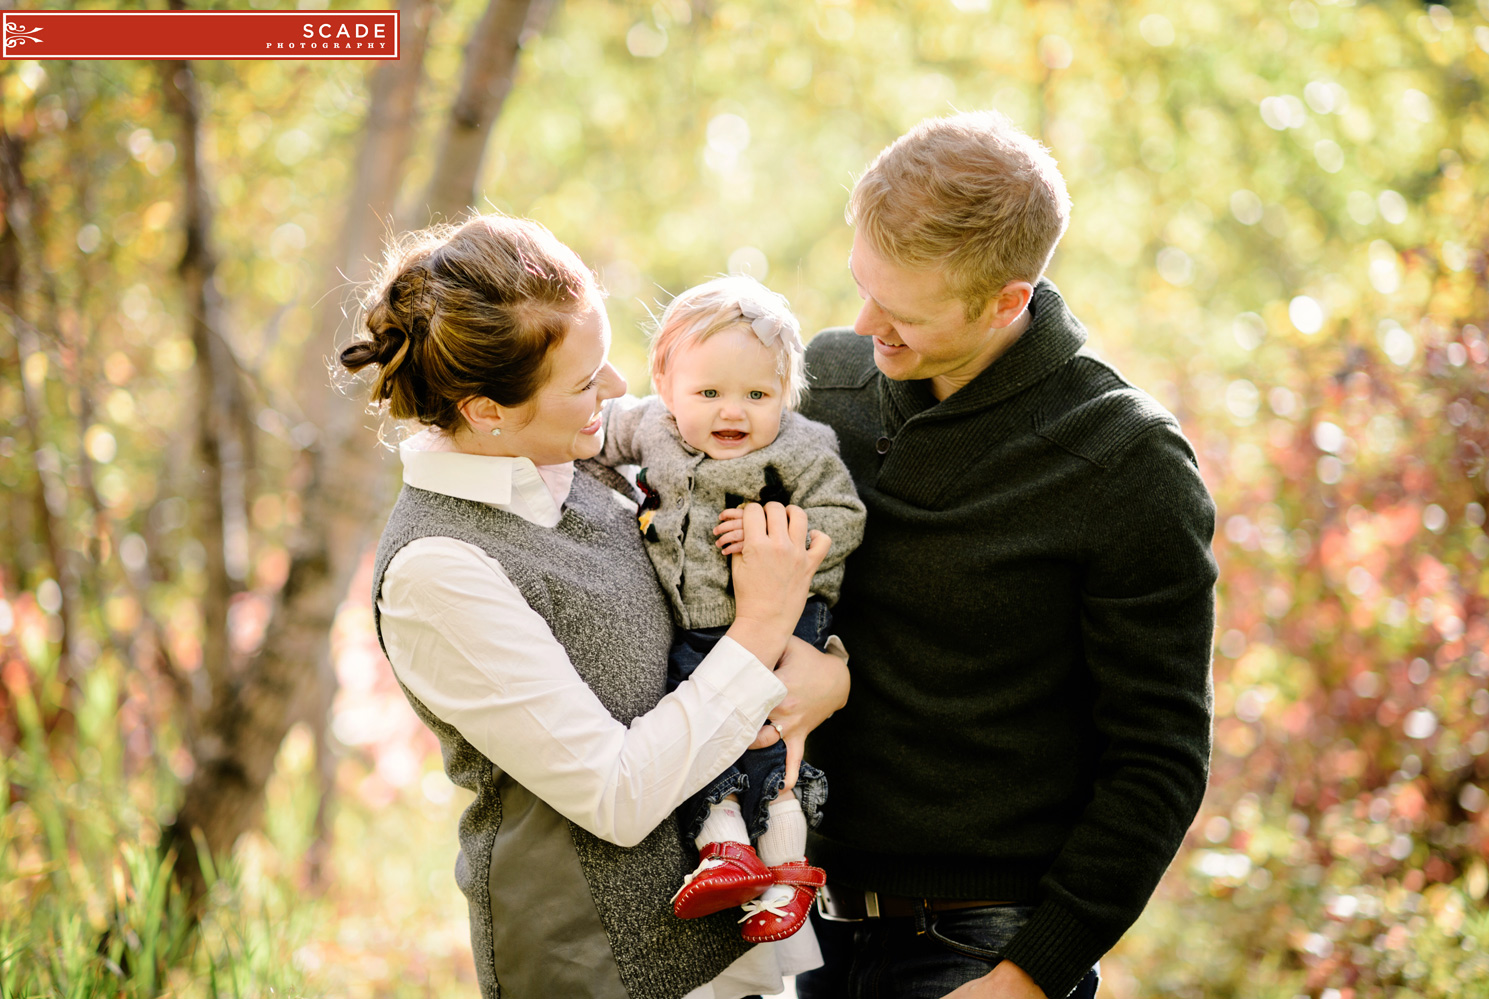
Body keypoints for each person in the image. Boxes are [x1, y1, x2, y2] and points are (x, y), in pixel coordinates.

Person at [339, 213, 850, 999]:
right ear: (485, 410)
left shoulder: (583, 463)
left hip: (729, 944)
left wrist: (826, 675)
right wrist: (761, 630)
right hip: (601, 963)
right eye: (585, 382)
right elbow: (615, 792)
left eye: (608, 364)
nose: (616, 391)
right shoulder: (439, 572)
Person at [794, 112, 1218, 999]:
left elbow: (1159, 755)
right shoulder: (821, 387)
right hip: (809, 931)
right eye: (862, 286)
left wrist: (1028, 977)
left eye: (902, 311)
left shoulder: (1125, 459)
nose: (866, 323)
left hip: (986, 949)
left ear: (1006, 301)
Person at [600, 275, 866, 943]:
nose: (733, 412)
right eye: (709, 392)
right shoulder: (652, 426)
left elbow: (845, 517)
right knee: (703, 731)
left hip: (786, 619)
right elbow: (593, 433)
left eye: (758, 394)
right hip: (696, 626)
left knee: (776, 744)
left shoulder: (800, 448)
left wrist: (777, 529)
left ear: (786, 394)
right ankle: (727, 850)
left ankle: (788, 871)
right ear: (665, 385)